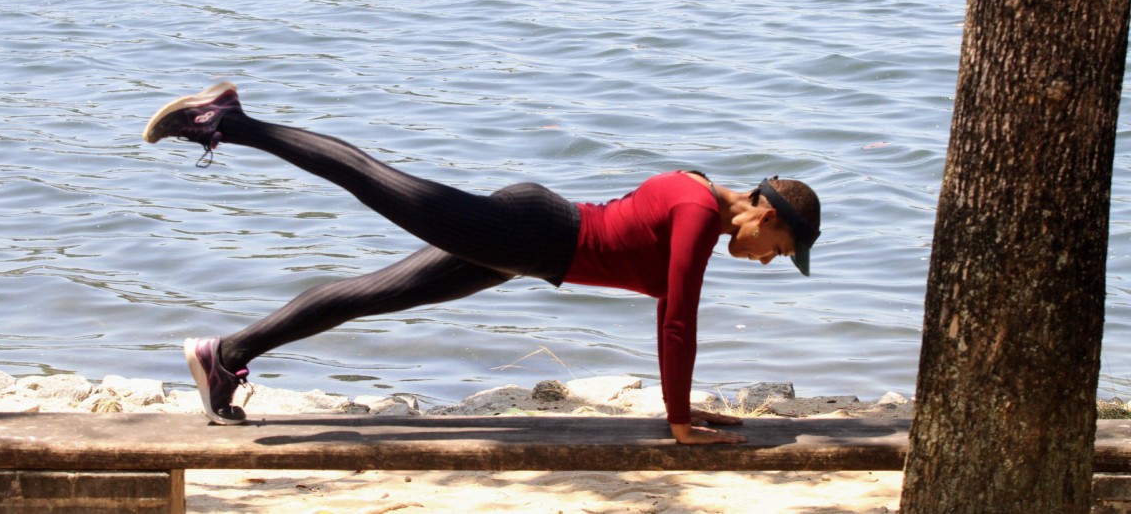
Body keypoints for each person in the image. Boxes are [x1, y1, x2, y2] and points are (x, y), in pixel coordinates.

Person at [143, 82, 821, 445]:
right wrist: (678, 420)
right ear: (766, 216)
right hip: (531, 232)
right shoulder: (701, 218)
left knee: (374, 293)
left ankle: (225, 354)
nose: (765, 262)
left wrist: (688, 407)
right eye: (779, 252)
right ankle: (226, 121)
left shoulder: (695, 188)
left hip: (527, 247)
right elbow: (678, 316)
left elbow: (654, 279)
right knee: (372, 179)